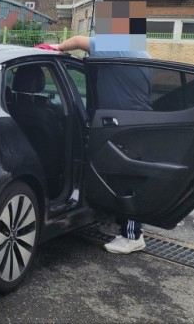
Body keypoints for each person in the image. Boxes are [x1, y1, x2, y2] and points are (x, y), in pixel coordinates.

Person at [44, 35, 151, 254]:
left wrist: (57, 47)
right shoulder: (139, 51)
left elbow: (78, 41)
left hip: (126, 125)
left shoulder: (122, 45)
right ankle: (126, 226)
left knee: (125, 179)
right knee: (122, 177)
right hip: (130, 122)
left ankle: (132, 235)